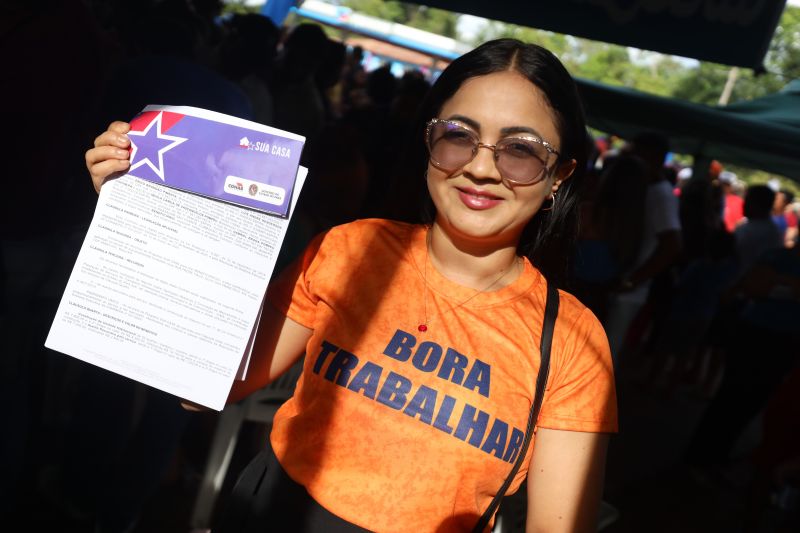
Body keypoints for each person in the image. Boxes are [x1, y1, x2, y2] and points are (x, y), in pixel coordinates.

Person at [85, 39, 617, 532]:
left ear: (559, 175)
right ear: (429, 141)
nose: (481, 167)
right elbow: (202, 388)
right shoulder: (351, 249)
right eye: (459, 135)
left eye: (520, 150)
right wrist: (144, 215)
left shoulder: (573, 342)